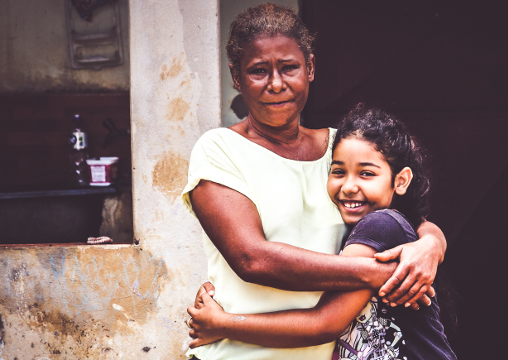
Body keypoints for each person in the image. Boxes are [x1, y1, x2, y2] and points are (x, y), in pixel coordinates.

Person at [181, 4, 446, 360]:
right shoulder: (220, 150)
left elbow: (406, 218)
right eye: (259, 71)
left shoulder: (341, 152)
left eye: (288, 67)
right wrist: (378, 272)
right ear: (236, 76)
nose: (276, 84)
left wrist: (431, 247)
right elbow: (252, 258)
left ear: (310, 67)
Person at [187, 105, 457, 360]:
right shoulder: (373, 227)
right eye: (338, 171)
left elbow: (323, 324)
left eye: (366, 174)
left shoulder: (380, 226)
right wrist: (428, 245)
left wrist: (223, 324)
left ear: (401, 181)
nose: (349, 186)